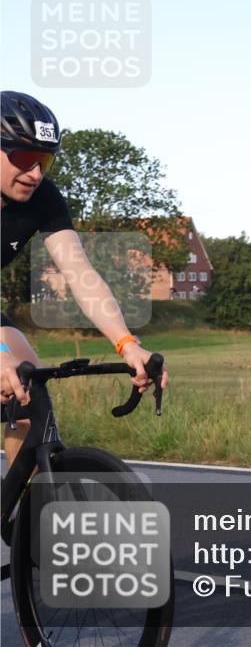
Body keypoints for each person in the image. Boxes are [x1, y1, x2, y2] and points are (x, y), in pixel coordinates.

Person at [0, 90, 168, 464]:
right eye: (25, 159)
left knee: (29, 390)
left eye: (44, 160)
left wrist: (127, 344)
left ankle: (19, 512)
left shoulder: (43, 197)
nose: (36, 173)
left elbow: (80, 273)